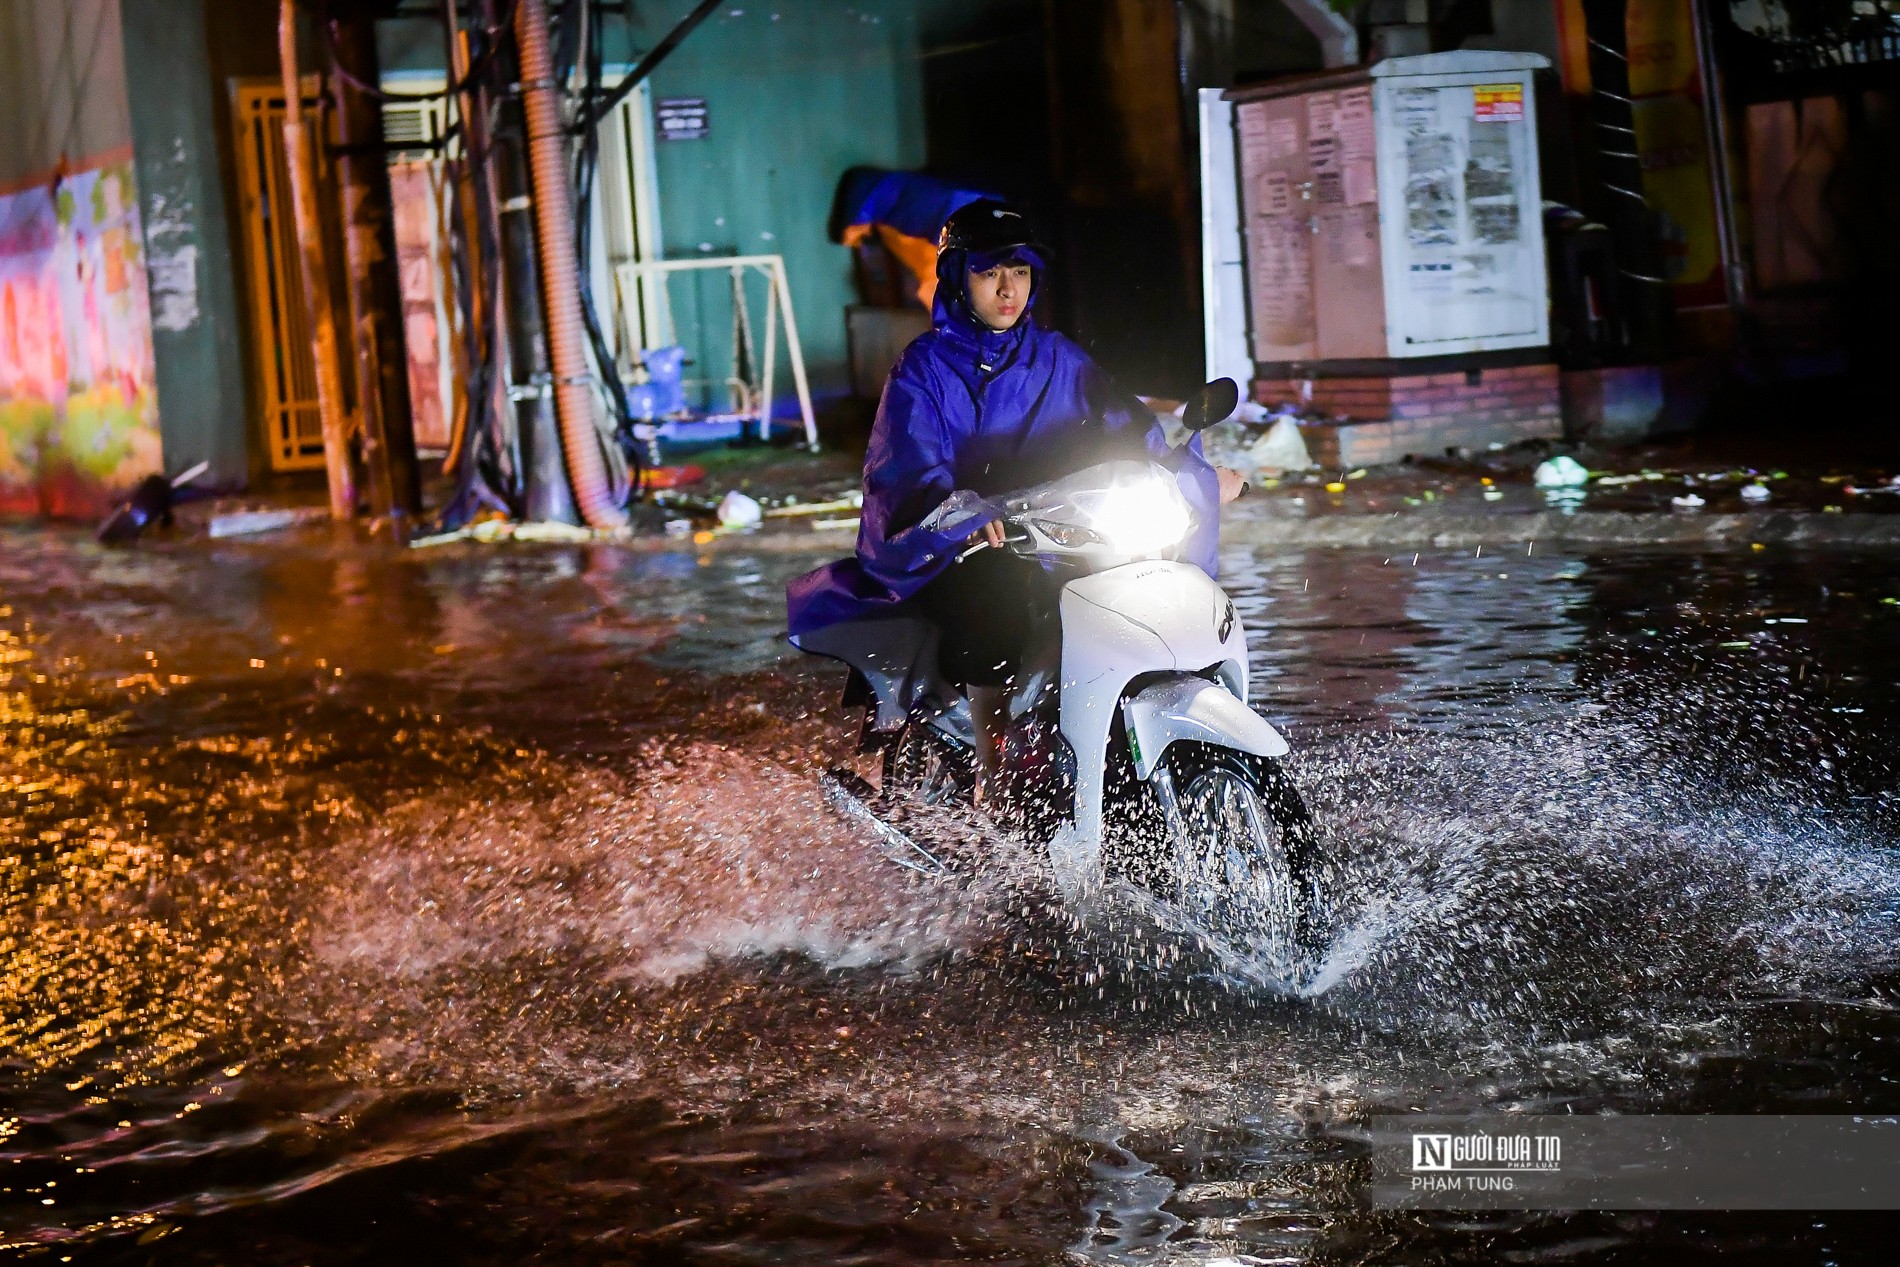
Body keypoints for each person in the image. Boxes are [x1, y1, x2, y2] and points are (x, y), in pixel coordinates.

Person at [788, 199, 1244, 801]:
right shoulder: (922, 370)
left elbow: (1128, 428)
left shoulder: (1058, 358)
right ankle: (994, 780)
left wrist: (1194, 474)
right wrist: (962, 517)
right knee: (994, 605)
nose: (1009, 289)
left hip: (1059, 533)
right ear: (957, 278)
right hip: (964, 545)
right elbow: (908, 467)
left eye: (1021, 272)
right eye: (990, 273)